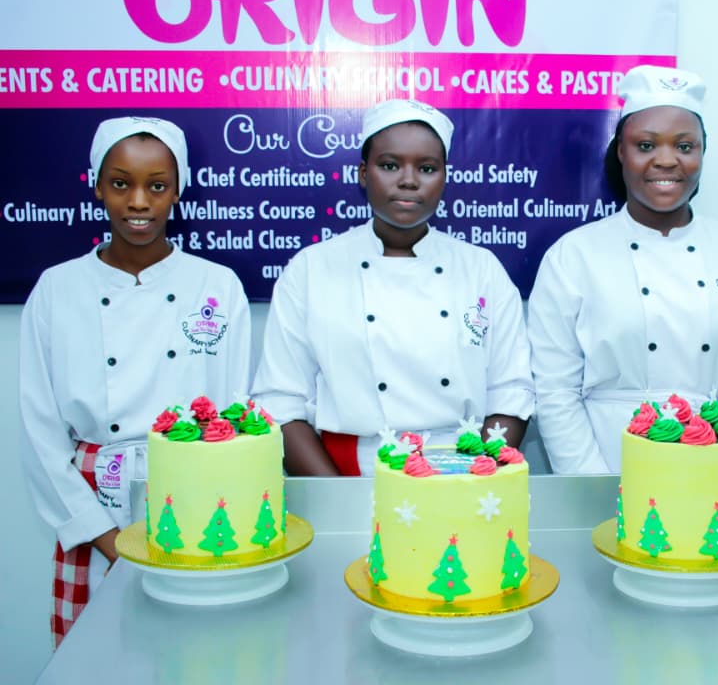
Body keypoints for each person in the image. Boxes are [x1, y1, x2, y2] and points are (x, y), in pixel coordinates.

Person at [19, 116, 252, 646]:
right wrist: (105, 535)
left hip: (194, 497)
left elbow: (234, 418)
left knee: (194, 653)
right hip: (91, 502)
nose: (139, 201)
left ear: (178, 191)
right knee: (95, 659)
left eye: (157, 185)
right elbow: (39, 434)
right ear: (97, 187)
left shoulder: (217, 286)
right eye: (121, 183)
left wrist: (202, 506)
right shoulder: (57, 289)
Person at [527, 65, 718, 473]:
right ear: (621, 151)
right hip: (609, 462)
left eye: (684, 146)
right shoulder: (572, 257)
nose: (666, 161)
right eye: (646, 145)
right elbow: (555, 389)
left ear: (702, 153)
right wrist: (592, 484)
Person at [252, 99, 534, 476]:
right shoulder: (312, 270)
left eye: (427, 168)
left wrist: (472, 480)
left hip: (463, 469)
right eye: (389, 165)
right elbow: (280, 402)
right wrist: (337, 496)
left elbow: (511, 395)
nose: (408, 180)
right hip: (350, 472)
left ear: (444, 177)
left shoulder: (481, 270)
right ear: (362, 173)